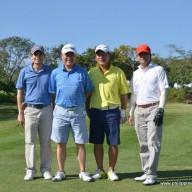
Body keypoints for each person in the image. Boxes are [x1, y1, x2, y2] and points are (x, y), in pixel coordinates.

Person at [49, 43, 93, 182]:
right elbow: (53, 93)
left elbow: (88, 90)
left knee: (80, 143)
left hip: (77, 112)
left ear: (75, 56)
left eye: (71, 55)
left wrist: (79, 101)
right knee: (60, 143)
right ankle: (61, 171)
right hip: (60, 111)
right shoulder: (55, 73)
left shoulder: (82, 71)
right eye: (66, 55)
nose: (69, 57)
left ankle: (82, 171)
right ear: (62, 56)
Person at [86, 44, 130, 181]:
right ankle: (100, 170)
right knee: (97, 143)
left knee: (113, 143)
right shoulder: (91, 72)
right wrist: (87, 110)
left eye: (103, 54)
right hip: (96, 112)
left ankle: (111, 170)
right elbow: (88, 94)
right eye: (98, 54)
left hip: (112, 112)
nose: (101, 57)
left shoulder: (118, 72)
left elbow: (124, 93)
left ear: (108, 55)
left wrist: (123, 110)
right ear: (95, 56)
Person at [128, 44, 169, 185]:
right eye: (140, 54)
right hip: (139, 110)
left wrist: (161, 109)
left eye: (145, 54)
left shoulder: (158, 70)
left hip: (154, 108)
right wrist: (131, 112)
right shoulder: (136, 73)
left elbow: (164, 90)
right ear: (137, 56)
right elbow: (133, 94)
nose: (142, 56)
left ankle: (152, 174)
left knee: (153, 142)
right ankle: (146, 172)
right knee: (143, 144)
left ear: (150, 55)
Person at [16, 45, 53, 181]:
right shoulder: (24, 72)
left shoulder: (50, 71)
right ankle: (30, 170)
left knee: (46, 141)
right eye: (35, 54)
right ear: (31, 56)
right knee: (29, 142)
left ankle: (46, 169)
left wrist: (53, 109)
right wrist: (20, 112)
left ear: (44, 55)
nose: (38, 57)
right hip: (30, 109)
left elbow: (53, 93)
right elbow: (20, 93)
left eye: (40, 54)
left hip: (47, 108)